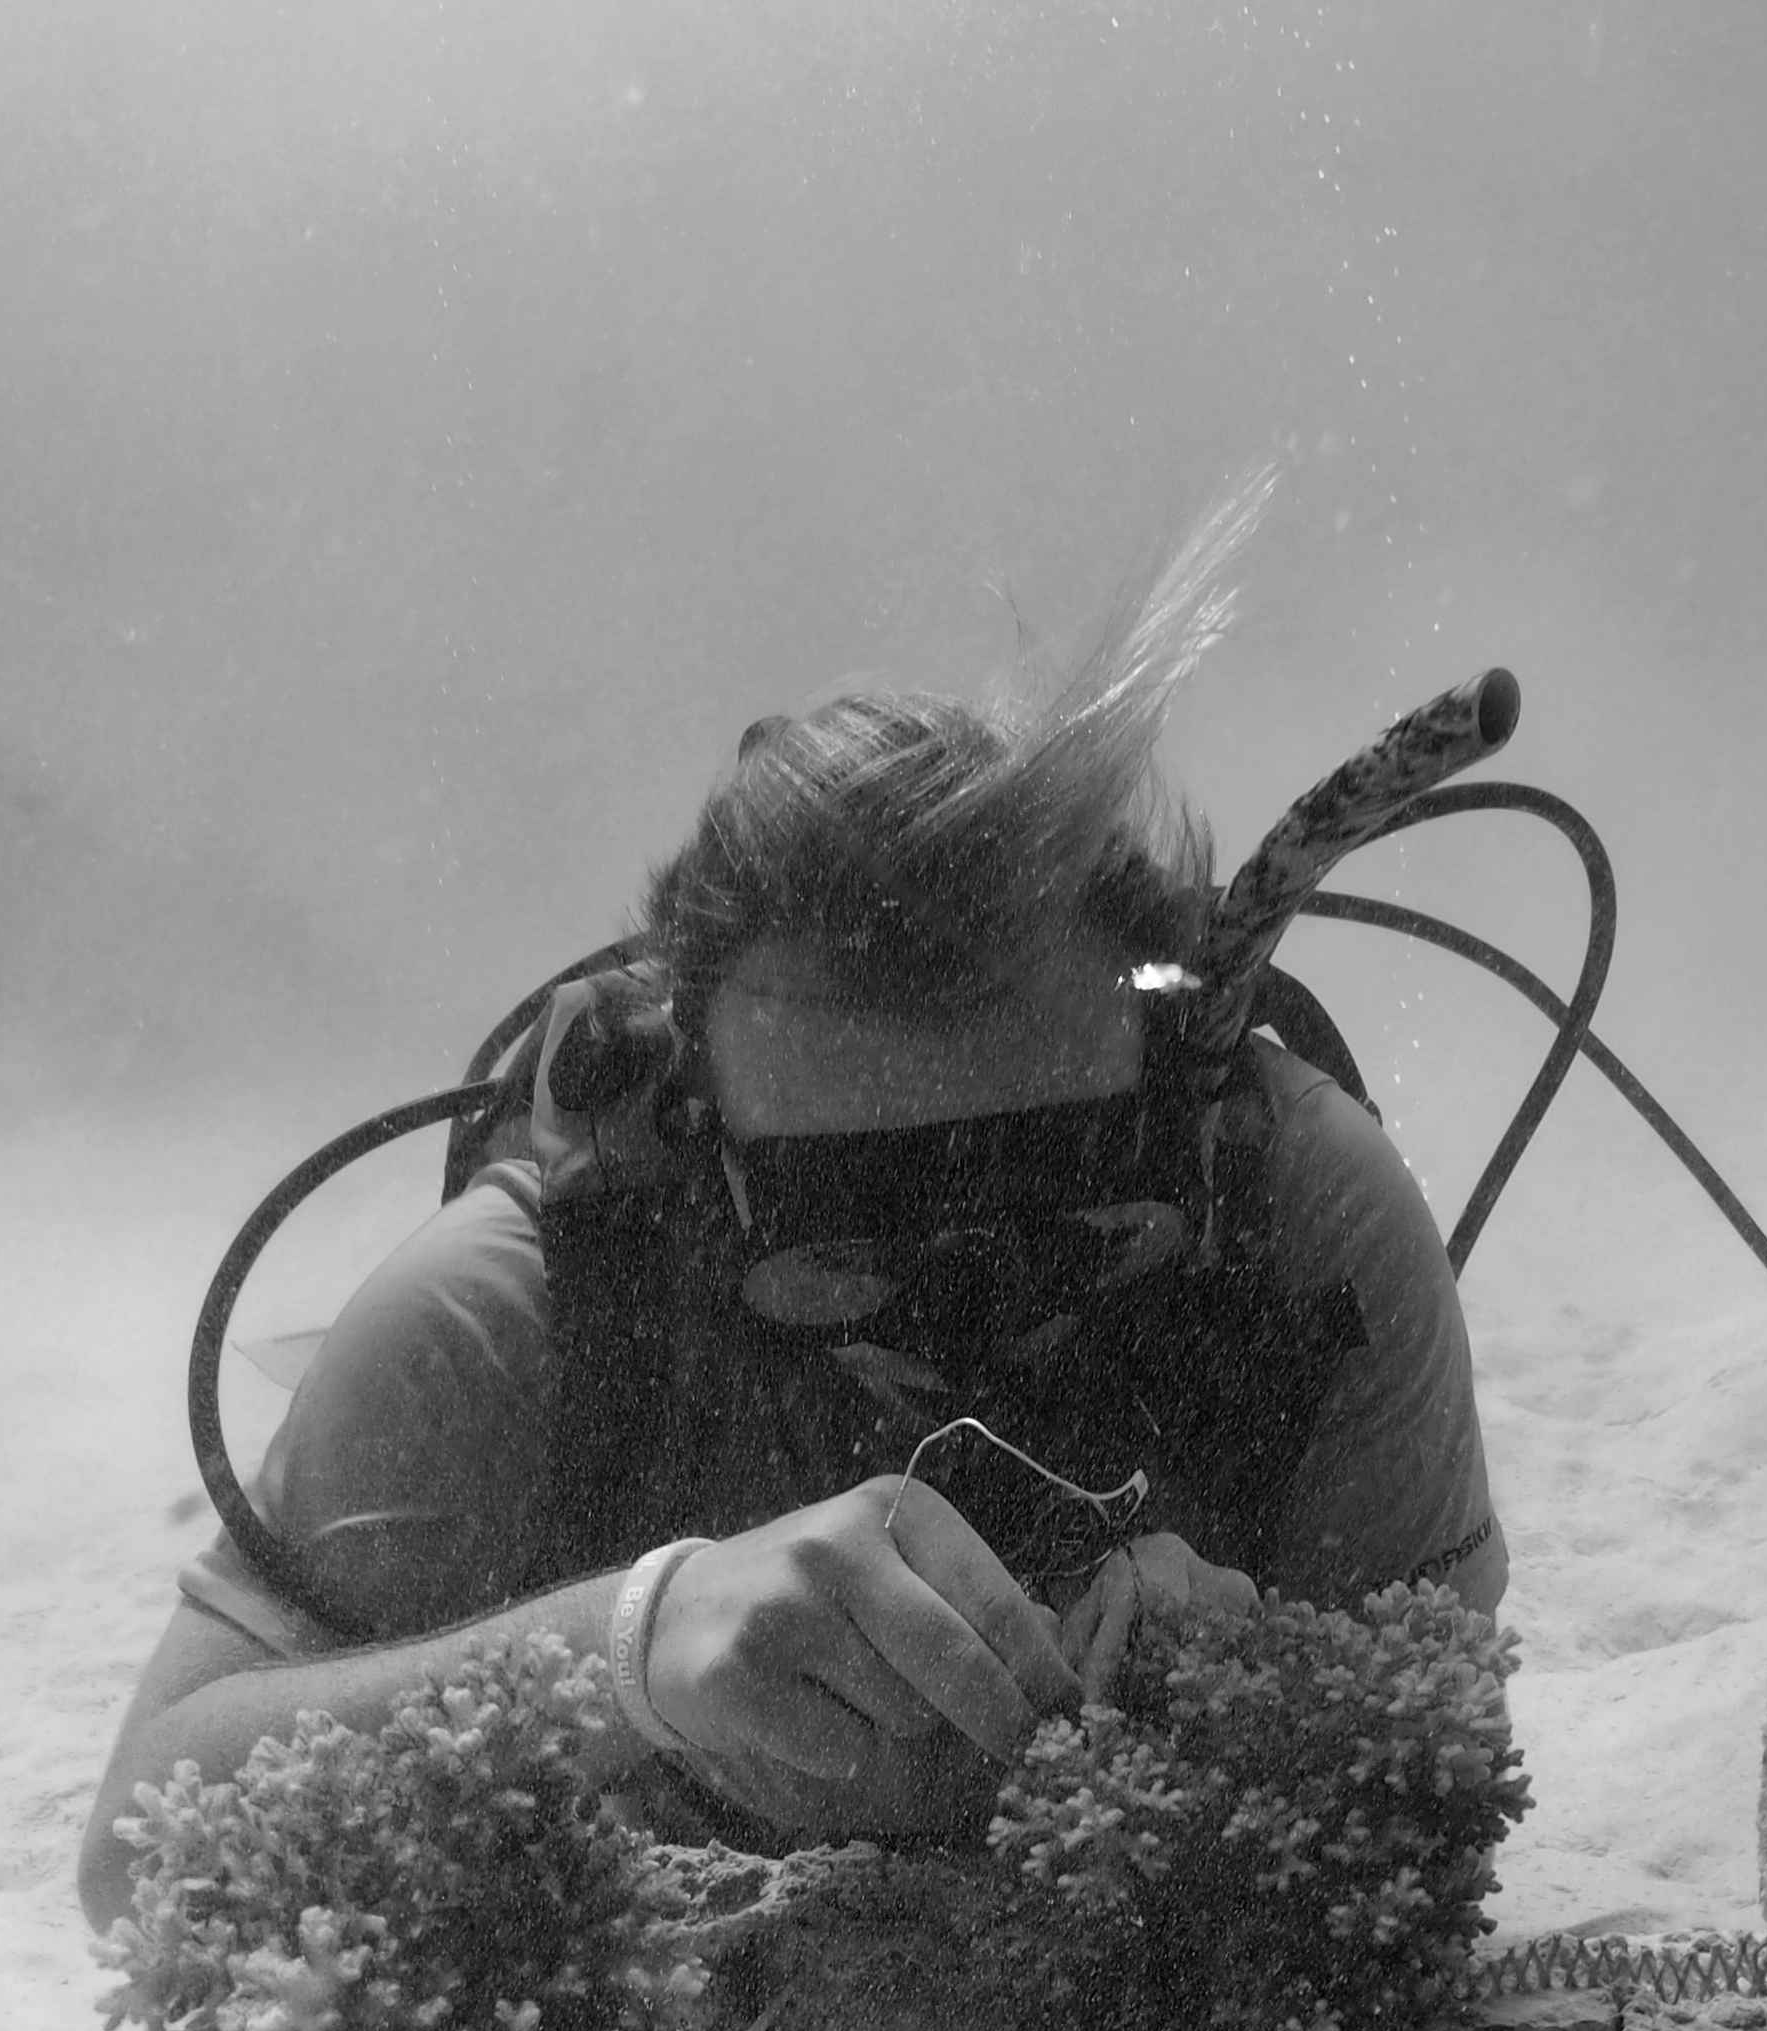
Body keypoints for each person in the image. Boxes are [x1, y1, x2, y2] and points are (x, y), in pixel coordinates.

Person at [76, 510, 1509, 1932]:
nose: (969, 1335)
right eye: (850, 1253)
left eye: (1062, 1229)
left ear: (1180, 1107)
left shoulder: (1307, 1224)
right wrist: (636, 1644)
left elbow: (1440, 1806)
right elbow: (139, 1854)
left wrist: (1265, 1693)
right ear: (701, 1163)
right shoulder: (524, 1307)